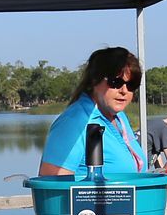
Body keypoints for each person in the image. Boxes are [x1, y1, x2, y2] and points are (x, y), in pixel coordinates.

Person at [39, 46, 147, 175]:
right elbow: (52, 183)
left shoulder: (119, 117)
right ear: (95, 80)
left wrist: (165, 170)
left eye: (132, 85)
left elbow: (133, 172)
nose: (124, 91)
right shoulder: (75, 121)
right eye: (115, 82)